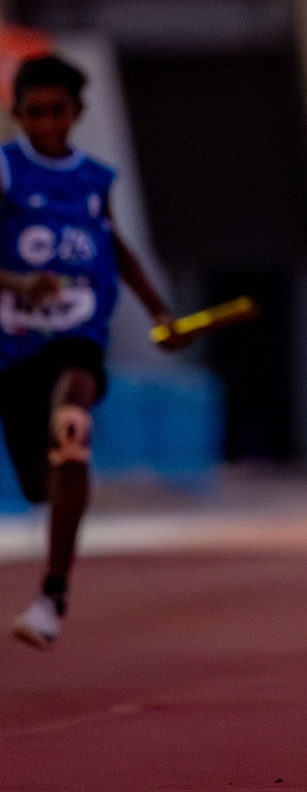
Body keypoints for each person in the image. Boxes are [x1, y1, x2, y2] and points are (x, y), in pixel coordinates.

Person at [2, 54, 185, 649]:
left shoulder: (94, 179)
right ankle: (55, 499)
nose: (48, 123)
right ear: (16, 114)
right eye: (35, 113)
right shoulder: (6, 172)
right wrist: (19, 283)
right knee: (37, 481)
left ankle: (52, 594)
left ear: (77, 112)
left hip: (79, 335)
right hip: (16, 346)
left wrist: (161, 312)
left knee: (72, 426)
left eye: (59, 111)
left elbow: (118, 249)